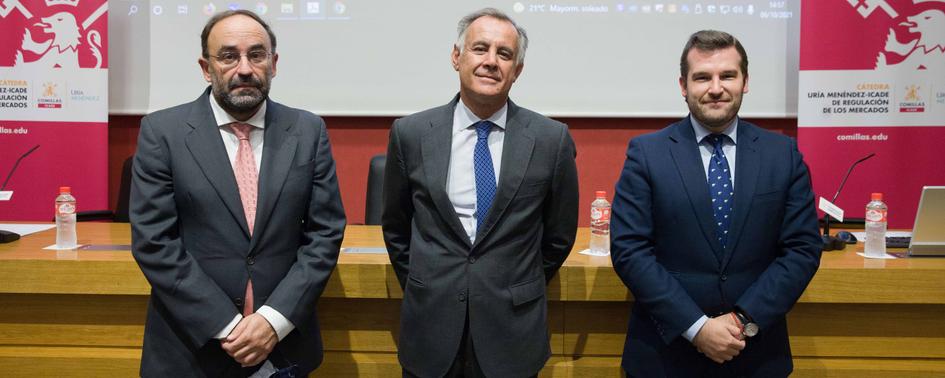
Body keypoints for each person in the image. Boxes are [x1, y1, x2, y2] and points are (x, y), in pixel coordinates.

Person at [129, 10, 345, 377]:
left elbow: (324, 234)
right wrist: (230, 328)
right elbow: (154, 242)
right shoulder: (162, 132)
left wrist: (272, 322)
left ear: (273, 64)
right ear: (205, 66)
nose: (244, 68)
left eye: (256, 55)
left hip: (283, 347)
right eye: (228, 56)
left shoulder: (308, 130)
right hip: (189, 349)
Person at [609, 30, 822, 377]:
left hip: (756, 353)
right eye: (702, 77)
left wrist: (743, 321)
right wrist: (696, 327)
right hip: (665, 356)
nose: (716, 88)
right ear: (683, 85)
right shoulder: (647, 154)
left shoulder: (782, 154)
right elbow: (630, 250)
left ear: (745, 81)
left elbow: (803, 249)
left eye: (727, 75)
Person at [381, 8, 579, 378]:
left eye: (504, 54)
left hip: (513, 330)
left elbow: (559, 236)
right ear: (457, 57)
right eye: (480, 49)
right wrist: (427, 283)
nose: (491, 61)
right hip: (430, 326)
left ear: (517, 70)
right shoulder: (410, 134)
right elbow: (396, 227)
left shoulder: (551, 140)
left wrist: (515, 282)